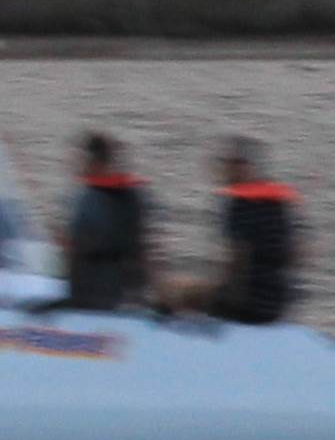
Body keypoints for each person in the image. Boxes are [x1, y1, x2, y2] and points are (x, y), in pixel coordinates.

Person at [171, 138, 304, 324]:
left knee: (177, 292)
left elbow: (239, 259)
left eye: (230, 165)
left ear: (245, 167)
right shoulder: (277, 203)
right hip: (278, 302)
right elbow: (296, 254)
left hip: (249, 305)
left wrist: (223, 300)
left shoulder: (239, 204)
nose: (225, 171)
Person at [57, 131, 155, 313]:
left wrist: (67, 243)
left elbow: (81, 245)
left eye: (80, 160)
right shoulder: (135, 195)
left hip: (94, 294)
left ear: (94, 163)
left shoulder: (89, 199)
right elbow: (143, 247)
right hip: (125, 292)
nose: (77, 166)